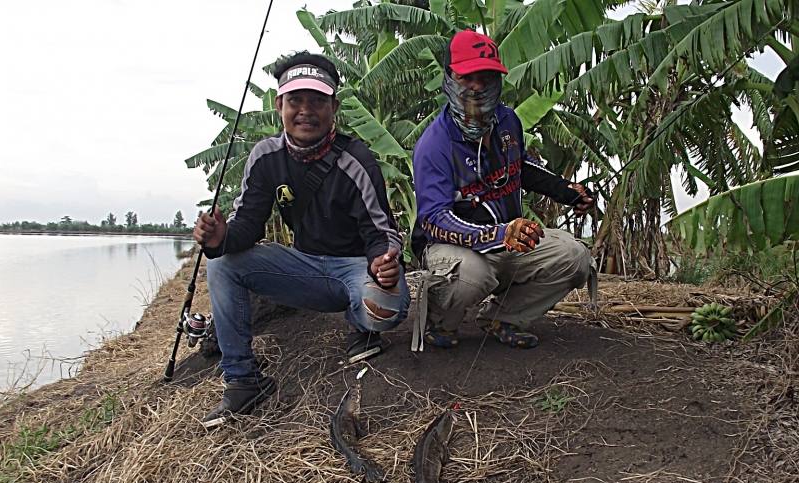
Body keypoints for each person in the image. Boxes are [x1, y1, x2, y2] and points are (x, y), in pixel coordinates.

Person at [194, 52, 410, 429]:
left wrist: (385, 261)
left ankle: (362, 327)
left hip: (355, 268)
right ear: (279, 105)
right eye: (295, 100)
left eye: (317, 101)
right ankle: (243, 379)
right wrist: (219, 237)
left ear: (334, 107)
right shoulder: (264, 157)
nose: (305, 110)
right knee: (222, 263)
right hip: (305, 267)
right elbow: (246, 228)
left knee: (386, 308)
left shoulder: (356, 158)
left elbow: (381, 232)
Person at [411, 29, 594, 350]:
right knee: (470, 275)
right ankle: (439, 320)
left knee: (575, 256)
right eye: (468, 77)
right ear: (449, 78)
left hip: (505, 241)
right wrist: (499, 235)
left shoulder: (508, 122)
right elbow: (434, 219)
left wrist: (564, 189)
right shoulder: (434, 145)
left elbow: (519, 167)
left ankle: (504, 318)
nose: (478, 86)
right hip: (455, 250)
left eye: (486, 76)